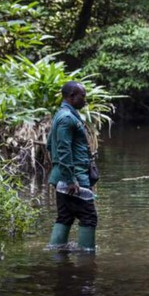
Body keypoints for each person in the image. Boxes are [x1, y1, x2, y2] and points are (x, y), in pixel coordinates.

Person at [47, 81, 98, 250]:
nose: (85, 100)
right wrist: (70, 179)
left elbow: (49, 145)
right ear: (71, 96)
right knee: (89, 217)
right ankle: (87, 260)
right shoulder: (67, 118)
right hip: (74, 178)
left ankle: (56, 254)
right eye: (82, 96)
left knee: (65, 216)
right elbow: (63, 150)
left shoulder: (61, 115)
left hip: (65, 176)